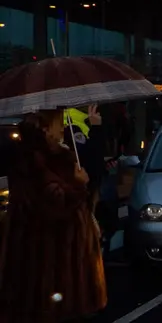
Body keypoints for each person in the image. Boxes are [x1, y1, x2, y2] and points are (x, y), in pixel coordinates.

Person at [0, 110, 107, 322]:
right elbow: (54, 203)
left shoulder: (47, 156)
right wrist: (79, 184)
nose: (63, 128)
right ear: (46, 129)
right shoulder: (39, 161)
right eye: (59, 123)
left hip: (48, 259)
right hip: (52, 261)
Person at [63, 106, 118, 254]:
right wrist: (96, 128)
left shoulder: (79, 122)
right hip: (83, 195)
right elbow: (88, 160)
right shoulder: (72, 124)